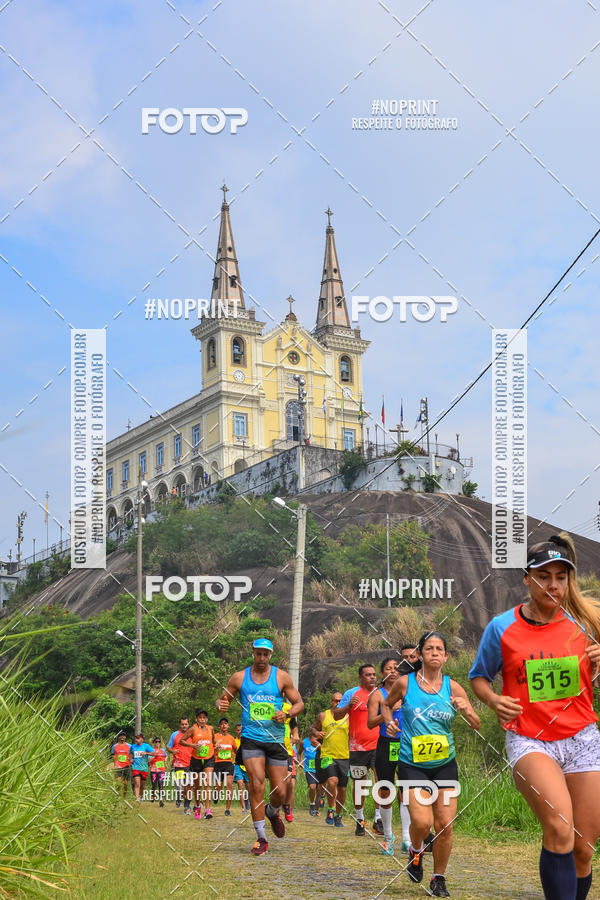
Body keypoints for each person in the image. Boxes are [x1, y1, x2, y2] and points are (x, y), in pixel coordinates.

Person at [470, 533, 600, 900]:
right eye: (543, 576)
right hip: (530, 738)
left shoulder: (587, 622)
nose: (553, 585)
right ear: (527, 579)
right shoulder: (501, 628)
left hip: (583, 738)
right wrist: (494, 700)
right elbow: (479, 677)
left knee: (583, 849)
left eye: (561, 577)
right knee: (559, 827)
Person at [383, 632, 480, 897]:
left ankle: (439, 878)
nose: (434, 652)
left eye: (439, 649)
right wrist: (389, 723)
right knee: (422, 823)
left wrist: (466, 710)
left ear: (446, 656)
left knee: (445, 825)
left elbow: (476, 723)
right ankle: (416, 851)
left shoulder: (453, 687)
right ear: (420, 655)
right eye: (429, 649)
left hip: (444, 764)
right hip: (412, 764)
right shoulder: (405, 683)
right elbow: (386, 705)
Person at [216, 638, 304, 856]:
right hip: (251, 738)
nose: (262, 658)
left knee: (280, 791)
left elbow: (299, 703)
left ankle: (272, 811)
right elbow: (223, 699)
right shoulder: (239, 677)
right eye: (259, 653)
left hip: (275, 740)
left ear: (270, 655)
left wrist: (287, 714)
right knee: (256, 785)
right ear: (253, 653)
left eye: (266, 654)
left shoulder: (281, 677)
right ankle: (261, 838)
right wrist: (220, 704)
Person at [367, 657, 412, 855]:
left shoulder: (408, 691)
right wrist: (389, 712)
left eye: (396, 668)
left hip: (407, 744)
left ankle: (407, 838)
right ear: (382, 673)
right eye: (388, 668)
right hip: (386, 743)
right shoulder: (378, 695)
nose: (393, 671)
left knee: (406, 790)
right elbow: (370, 723)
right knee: (385, 790)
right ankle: (387, 836)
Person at [334, 663, 380, 835]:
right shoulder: (351, 693)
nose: (372, 677)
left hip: (379, 745)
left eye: (374, 674)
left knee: (381, 781)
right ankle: (360, 819)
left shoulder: (381, 693)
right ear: (360, 677)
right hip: (358, 748)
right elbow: (336, 715)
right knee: (360, 784)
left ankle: (378, 820)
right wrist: (348, 706)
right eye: (368, 674)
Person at [312, 691, 349, 827]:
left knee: (342, 789)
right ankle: (331, 809)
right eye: (335, 700)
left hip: (344, 756)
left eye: (340, 701)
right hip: (326, 755)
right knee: (332, 781)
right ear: (331, 701)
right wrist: (316, 732)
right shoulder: (323, 715)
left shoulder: (348, 717)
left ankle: (338, 815)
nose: (338, 703)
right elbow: (312, 728)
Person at [180, 709, 215, 820]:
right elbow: (181, 741)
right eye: (200, 717)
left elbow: (213, 741)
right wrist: (192, 746)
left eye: (204, 717)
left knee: (207, 783)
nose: (202, 719)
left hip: (209, 758)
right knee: (198, 785)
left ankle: (208, 810)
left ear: (207, 719)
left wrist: (217, 745)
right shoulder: (193, 729)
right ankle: (198, 805)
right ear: (196, 719)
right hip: (196, 759)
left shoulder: (211, 728)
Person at [166, 716, 192, 811]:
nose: (184, 726)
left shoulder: (192, 734)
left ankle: (187, 804)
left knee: (188, 786)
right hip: (178, 764)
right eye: (182, 724)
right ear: (179, 725)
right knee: (180, 786)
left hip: (190, 764)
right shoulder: (174, 735)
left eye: (186, 724)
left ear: (188, 724)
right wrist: (172, 751)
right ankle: (178, 797)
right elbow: (168, 747)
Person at [213, 717, 237, 816]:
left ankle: (227, 809)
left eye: (225, 723)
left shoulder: (231, 738)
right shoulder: (215, 736)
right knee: (218, 787)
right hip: (217, 764)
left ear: (228, 726)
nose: (224, 725)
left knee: (229, 785)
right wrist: (215, 747)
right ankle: (216, 796)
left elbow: (236, 750)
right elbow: (210, 748)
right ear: (219, 726)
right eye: (222, 723)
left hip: (228, 764)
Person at [282, 701, 299, 822]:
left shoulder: (288, 707)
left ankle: (287, 806)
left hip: (287, 750)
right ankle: (274, 809)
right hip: (271, 748)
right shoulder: (267, 702)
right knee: (276, 783)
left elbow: (293, 724)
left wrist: (296, 733)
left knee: (290, 783)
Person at [129, 733, 154, 801]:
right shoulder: (133, 747)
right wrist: (131, 759)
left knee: (142, 785)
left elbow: (154, 753)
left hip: (144, 768)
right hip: (135, 767)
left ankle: (141, 797)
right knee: (137, 783)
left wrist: (146, 753)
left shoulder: (146, 746)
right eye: (136, 738)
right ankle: (137, 799)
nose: (136, 739)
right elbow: (130, 754)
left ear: (142, 739)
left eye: (138, 738)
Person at [301, 732, 321, 816]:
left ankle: (316, 809)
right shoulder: (304, 742)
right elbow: (299, 752)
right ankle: (312, 804)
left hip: (319, 768)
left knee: (319, 790)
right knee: (312, 787)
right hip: (309, 769)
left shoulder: (321, 741)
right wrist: (300, 762)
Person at [233, 723, 250, 812]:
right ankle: (243, 807)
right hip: (237, 765)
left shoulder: (248, 741)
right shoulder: (234, 741)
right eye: (238, 730)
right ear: (235, 731)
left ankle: (248, 802)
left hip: (247, 765)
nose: (240, 732)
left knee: (248, 787)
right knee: (240, 783)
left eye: (241, 730)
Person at [149, 737, 168, 806]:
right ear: (154, 743)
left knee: (161, 784)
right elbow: (149, 761)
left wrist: (165, 759)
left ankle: (161, 800)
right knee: (154, 785)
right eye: (156, 742)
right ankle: (153, 796)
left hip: (161, 770)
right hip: (153, 770)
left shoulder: (163, 750)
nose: (157, 743)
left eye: (159, 742)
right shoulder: (151, 750)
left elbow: (166, 756)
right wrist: (154, 755)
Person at [111, 732, 130, 796]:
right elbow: (112, 754)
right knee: (118, 781)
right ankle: (118, 795)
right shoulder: (114, 746)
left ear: (125, 737)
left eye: (123, 736)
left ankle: (124, 796)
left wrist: (131, 759)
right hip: (118, 766)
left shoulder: (129, 746)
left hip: (126, 765)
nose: (122, 737)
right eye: (121, 735)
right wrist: (115, 760)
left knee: (125, 783)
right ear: (119, 737)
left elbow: (132, 754)